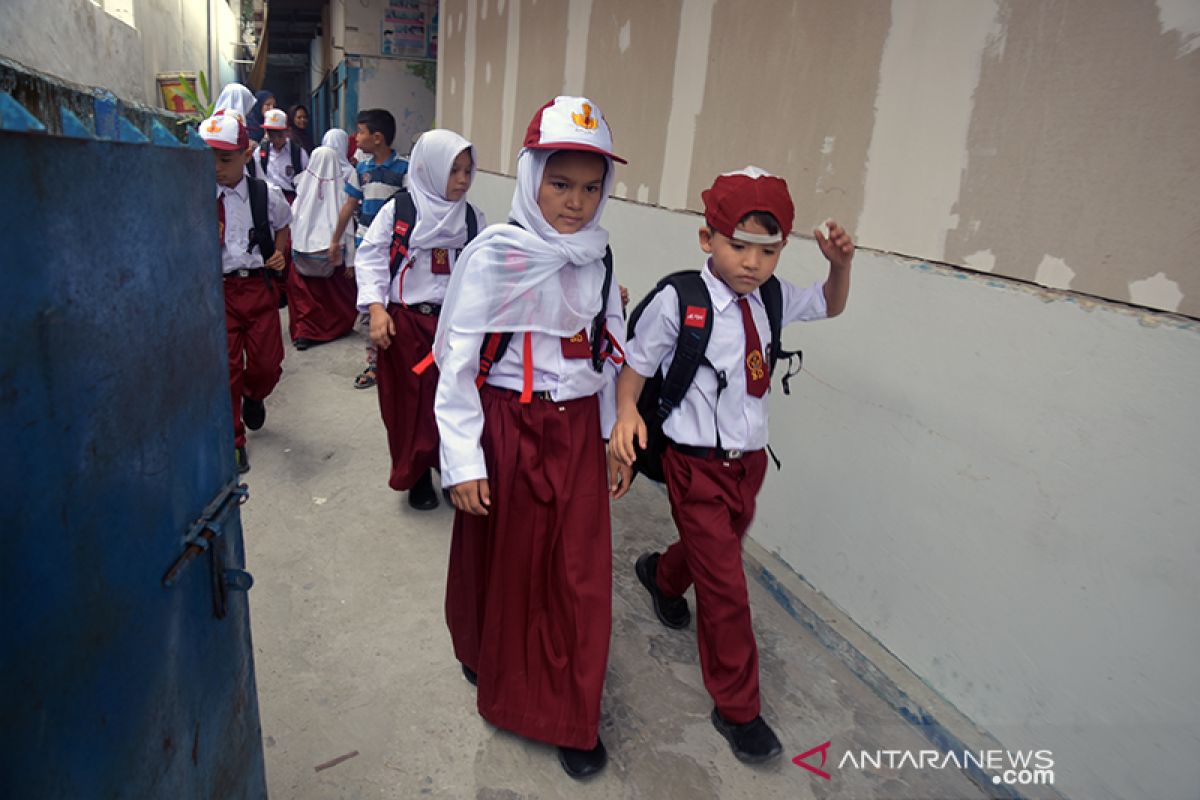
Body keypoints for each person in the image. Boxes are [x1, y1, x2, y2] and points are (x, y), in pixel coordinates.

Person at [609, 167, 855, 764]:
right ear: (706, 240)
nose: (752, 262)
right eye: (737, 245)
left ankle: (661, 576)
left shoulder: (771, 295)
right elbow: (636, 364)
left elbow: (829, 303)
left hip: (749, 465)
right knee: (728, 590)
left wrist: (839, 265)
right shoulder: (680, 301)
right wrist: (623, 416)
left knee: (709, 553)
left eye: (767, 250)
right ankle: (739, 709)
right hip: (695, 467)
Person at [433, 96, 626, 780]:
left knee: (577, 574)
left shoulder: (598, 260)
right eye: (560, 183)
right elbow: (456, 360)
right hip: (506, 425)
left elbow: (608, 356)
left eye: (591, 187)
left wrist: (612, 437)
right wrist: (461, 461)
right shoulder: (495, 258)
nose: (575, 203)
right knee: (500, 554)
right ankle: (483, 652)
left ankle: (571, 715)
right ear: (531, 176)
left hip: (573, 432)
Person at [354, 129, 484, 510]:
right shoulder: (401, 211)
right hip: (407, 324)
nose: (462, 180)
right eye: (453, 170)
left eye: (467, 170)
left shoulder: (473, 219)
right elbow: (372, 257)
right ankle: (417, 475)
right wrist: (377, 309)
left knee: (455, 396)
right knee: (410, 404)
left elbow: (488, 270)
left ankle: (451, 464)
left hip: (456, 326)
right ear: (429, 170)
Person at [200, 112, 292, 474]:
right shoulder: (197, 195)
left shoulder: (263, 194)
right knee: (227, 371)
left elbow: (283, 224)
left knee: (268, 365)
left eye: (225, 159)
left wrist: (279, 253)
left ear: (245, 154)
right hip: (219, 292)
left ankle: (255, 396)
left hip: (257, 287)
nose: (216, 168)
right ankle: (234, 441)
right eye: (209, 158)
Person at [327, 109, 409, 389]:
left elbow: (412, 211)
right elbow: (349, 207)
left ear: (377, 138)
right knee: (369, 308)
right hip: (367, 248)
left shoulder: (404, 170)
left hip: (396, 252)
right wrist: (336, 240)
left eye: (360, 131)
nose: (355, 137)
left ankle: (395, 359)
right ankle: (374, 364)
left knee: (394, 306)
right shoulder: (359, 170)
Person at [287, 146, 360, 350]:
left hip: (304, 258)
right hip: (331, 259)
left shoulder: (303, 190)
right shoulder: (340, 194)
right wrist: (350, 262)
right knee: (335, 297)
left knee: (304, 297)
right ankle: (335, 327)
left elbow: (291, 221)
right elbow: (347, 230)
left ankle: (305, 332)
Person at [255, 108, 309, 201]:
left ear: (287, 131)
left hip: (291, 199)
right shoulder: (260, 152)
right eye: (271, 135)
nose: (276, 139)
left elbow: (307, 177)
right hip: (268, 199)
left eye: (279, 135)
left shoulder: (298, 153)